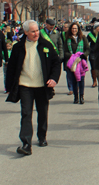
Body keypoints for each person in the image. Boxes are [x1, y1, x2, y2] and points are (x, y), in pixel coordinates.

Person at [6, 20, 61, 156]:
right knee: (26, 113)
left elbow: (56, 63)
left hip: (42, 86)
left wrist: (54, 78)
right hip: (25, 85)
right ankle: (26, 144)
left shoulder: (46, 45)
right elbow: (11, 67)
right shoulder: (18, 47)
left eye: (37, 30)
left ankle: (42, 136)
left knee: (42, 112)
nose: (36, 33)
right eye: (33, 31)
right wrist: (9, 86)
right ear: (26, 32)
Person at [64, 23, 90, 104]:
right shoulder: (67, 39)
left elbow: (88, 49)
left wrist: (83, 55)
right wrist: (72, 56)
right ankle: (76, 97)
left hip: (81, 62)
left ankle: (81, 96)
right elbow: (65, 51)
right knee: (74, 80)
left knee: (81, 80)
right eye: (72, 28)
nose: (74, 30)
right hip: (71, 63)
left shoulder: (83, 38)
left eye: (75, 28)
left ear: (78, 29)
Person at [87, 22, 99, 87]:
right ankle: (94, 81)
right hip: (92, 53)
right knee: (93, 68)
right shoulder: (90, 35)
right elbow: (86, 43)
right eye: (98, 28)